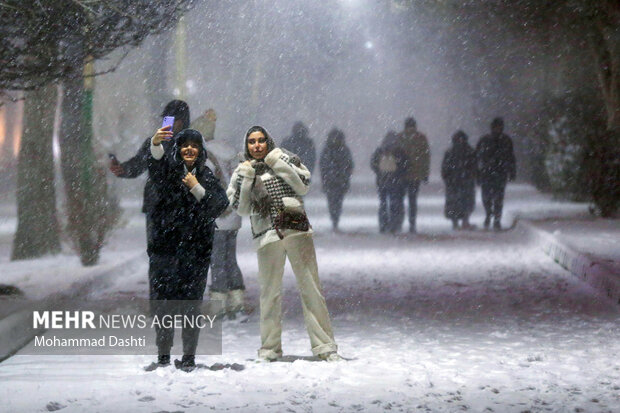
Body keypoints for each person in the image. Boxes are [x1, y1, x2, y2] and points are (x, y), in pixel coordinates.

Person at [227, 125, 341, 362]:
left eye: (260, 140)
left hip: (295, 227)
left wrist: (276, 161)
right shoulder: (242, 171)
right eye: (251, 142)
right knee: (269, 294)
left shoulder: (284, 158)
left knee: (311, 289)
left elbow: (303, 184)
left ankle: (325, 346)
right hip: (266, 233)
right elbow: (241, 207)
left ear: (268, 141)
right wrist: (248, 178)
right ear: (246, 145)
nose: (257, 145)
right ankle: (269, 348)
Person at [146, 128, 229, 372]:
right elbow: (155, 166)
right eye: (184, 145)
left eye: (194, 145)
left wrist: (196, 187)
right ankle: (163, 355)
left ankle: (189, 357)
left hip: (196, 253)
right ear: (178, 149)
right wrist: (155, 144)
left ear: (201, 150)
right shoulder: (167, 173)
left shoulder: (205, 175)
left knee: (192, 303)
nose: (189, 149)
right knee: (164, 302)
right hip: (165, 251)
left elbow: (219, 204)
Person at [109, 99, 190, 258]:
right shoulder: (154, 143)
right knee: (159, 257)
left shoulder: (191, 144)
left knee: (181, 259)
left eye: (173, 120)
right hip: (157, 208)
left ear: (182, 122)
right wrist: (123, 169)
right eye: (166, 120)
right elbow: (138, 163)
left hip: (182, 209)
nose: (168, 125)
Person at [191, 108, 247, 319]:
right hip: (233, 215)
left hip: (215, 217)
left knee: (216, 261)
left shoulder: (205, 157)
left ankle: (219, 305)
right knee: (230, 259)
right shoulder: (229, 153)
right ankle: (237, 302)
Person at [475, 117, 516, 230]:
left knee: (498, 197)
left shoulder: (506, 140)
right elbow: (477, 158)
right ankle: (489, 213)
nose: (498, 129)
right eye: (496, 127)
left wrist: (512, 172)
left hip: (500, 173)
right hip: (487, 173)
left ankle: (497, 219)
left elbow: (511, 157)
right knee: (486, 197)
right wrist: (477, 173)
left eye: (500, 127)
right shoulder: (484, 140)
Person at [398, 117, 430, 233]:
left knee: (400, 199)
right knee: (412, 200)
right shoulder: (421, 138)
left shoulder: (400, 137)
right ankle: (412, 223)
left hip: (401, 174)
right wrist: (425, 174)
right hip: (415, 175)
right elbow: (426, 158)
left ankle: (399, 221)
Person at [371, 131, 407, 233]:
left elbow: (373, 164)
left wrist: (379, 172)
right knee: (394, 203)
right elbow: (405, 165)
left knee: (383, 203)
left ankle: (383, 225)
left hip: (382, 181)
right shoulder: (399, 151)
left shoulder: (380, 151)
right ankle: (393, 225)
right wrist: (398, 174)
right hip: (395, 182)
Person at [319, 128, 354, 231]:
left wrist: (327, 176)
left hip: (332, 181)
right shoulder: (343, 149)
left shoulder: (327, 149)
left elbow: (322, 166)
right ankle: (335, 220)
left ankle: (335, 219)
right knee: (337, 202)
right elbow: (349, 165)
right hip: (339, 181)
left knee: (333, 202)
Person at [441, 130, 477, 230]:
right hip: (466, 181)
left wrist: (447, 178)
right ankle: (465, 220)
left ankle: (455, 222)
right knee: (466, 201)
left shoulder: (449, 152)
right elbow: (474, 166)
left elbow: (445, 167)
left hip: (453, 182)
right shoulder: (470, 151)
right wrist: (472, 176)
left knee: (453, 202)